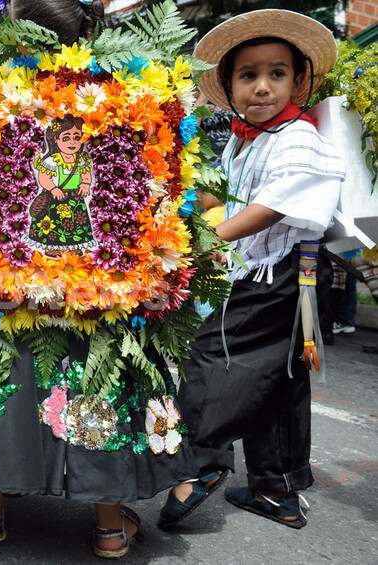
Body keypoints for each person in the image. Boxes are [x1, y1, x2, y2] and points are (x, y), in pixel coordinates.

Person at [0, 0, 198, 559]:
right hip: (108, 284)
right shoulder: (143, 96)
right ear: (88, 28)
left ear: (17, 30)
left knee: (1, 374)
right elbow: (171, 199)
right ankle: (110, 528)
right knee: (97, 382)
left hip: (3, 284)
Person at [157, 10, 344, 530]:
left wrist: (209, 238)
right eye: (248, 75)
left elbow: (273, 205)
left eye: (276, 73)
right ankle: (276, 489)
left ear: (299, 82)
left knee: (212, 353)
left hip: (279, 275)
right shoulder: (250, 138)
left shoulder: (297, 136)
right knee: (280, 378)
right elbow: (231, 196)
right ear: (229, 87)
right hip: (283, 275)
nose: (262, 86)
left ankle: (201, 462)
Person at [28, 114, 94, 251]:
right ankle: (53, 248)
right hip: (56, 197)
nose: (72, 142)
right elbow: (44, 178)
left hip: (75, 198)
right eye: (66, 138)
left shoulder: (80, 160)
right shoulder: (52, 160)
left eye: (77, 137)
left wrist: (85, 184)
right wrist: (53, 189)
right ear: (55, 139)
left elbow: (86, 174)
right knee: (54, 223)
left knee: (76, 223)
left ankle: (74, 247)